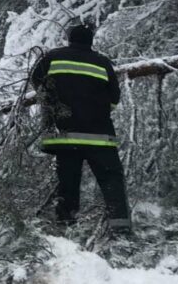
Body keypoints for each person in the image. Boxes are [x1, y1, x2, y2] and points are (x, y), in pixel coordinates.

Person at [31, 24, 132, 233]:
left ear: (69, 39)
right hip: (100, 137)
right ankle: (121, 230)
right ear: (91, 41)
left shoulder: (52, 57)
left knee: (68, 185)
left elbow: (36, 82)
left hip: (65, 137)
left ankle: (66, 229)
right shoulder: (103, 62)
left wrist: (52, 101)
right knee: (111, 182)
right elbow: (114, 100)